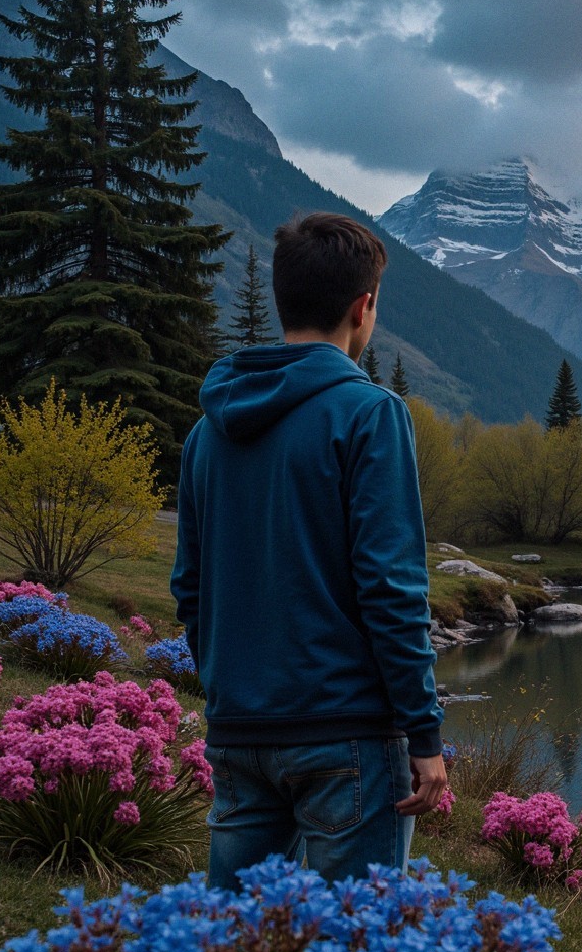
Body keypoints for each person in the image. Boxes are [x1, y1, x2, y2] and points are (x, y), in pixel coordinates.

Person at [172, 211, 447, 887]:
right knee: (350, 944)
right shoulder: (369, 414)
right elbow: (390, 588)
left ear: (282, 297)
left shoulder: (207, 433)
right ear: (364, 307)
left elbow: (191, 588)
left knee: (236, 944)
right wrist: (425, 734)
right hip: (346, 736)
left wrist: (232, 692)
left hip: (240, 733)